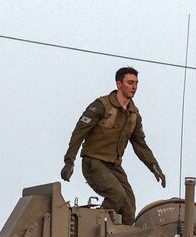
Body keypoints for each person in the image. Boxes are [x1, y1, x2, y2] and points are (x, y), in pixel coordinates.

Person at [62, 66, 166, 225]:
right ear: (119, 84)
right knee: (117, 195)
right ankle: (95, 229)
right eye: (130, 82)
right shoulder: (102, 105)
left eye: (136, 83)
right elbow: (79, 132)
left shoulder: (134, 114)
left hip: (113, 166)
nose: (134, 87)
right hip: (93, 162)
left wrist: (154, 166)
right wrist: (69, 161)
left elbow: (140, 144)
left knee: (129, 206)